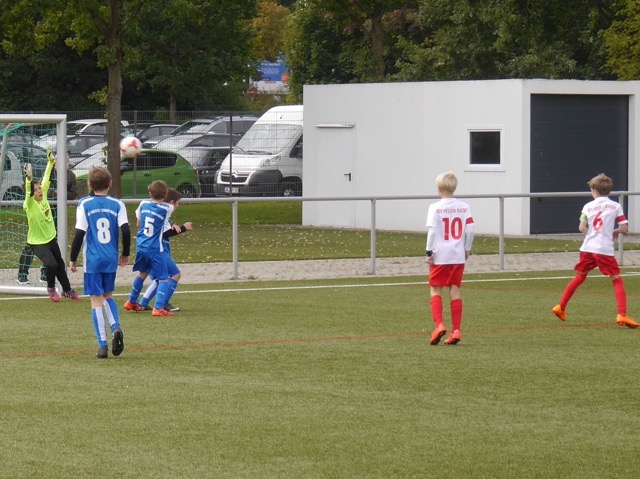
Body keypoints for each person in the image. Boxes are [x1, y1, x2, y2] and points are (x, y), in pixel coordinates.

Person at [552, 173, 639, 328]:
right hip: (603, 249)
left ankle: (560, 307)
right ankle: (622, 314)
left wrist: (592, 234)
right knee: (616, 279)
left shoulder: (587, 206)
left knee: (580, 276)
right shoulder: (615, 206)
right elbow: (625, 228)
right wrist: (615, 231)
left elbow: (581, 228)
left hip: (587, 247)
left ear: (594, 190)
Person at [69, 166, 131, 358]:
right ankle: (116, 326)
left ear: (89, 184)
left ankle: (102, 345)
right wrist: (125, 253)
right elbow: (126, 231)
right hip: (110, 257)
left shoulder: (85, 204)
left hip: (93, 259)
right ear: (110, 183)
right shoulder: (117, 204)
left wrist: (72, 259)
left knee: (96, 300)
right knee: (108, 295)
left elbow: (79, 234)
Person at [22, 148, 80, 301]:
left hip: (50, 238)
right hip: (37, 242)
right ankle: (51, 288)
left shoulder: (44, 197)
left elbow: (47, 177)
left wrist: (50, 162)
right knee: (52, 264)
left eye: (39, 188)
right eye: (36, 190)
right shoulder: (30, 205)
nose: (39, 191)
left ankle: (67, 290)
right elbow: (28, 192)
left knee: (60, 264)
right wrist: (29, 179)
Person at [425, 171, 475, 346]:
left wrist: (429, 252)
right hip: (457, 255)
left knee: (435, 290)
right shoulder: (464, 207)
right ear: (454, 188)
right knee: (455, 292)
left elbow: (432, 231)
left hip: (440, 256)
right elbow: (471, 229)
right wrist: (466, 248)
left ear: (439, 188)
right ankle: (456, 330)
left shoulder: (435, 207)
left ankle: (439, 325)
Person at [123, 180, 175, 317]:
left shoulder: (143, 204)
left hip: (141, 246)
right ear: (165, 195)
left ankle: (131, 301)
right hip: (155, 248)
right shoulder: (167, 208)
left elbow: (138, 224)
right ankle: (158, 308)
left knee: (142, 274)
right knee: (164, 278)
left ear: (150, 193)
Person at [137, 188, 193, 312]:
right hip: (158, 250)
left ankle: (142, 303)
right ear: (172, 202)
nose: (178, 206)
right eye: (177, 203)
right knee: (174, 274)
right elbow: (165, 233)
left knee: (159, 278)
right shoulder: (163, 211)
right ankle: (162, 304)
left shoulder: (153, 209)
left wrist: (174, 226)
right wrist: (184, 227)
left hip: (148, 248)